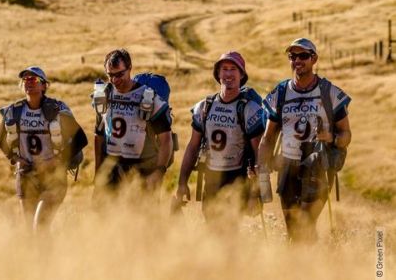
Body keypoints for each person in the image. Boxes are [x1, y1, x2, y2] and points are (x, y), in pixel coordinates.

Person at [257, 38, 352, 242]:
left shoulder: (329, 93)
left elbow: (346, 135)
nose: (297, 60)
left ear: (314, 58)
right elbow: (268, 136)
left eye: (303, 56)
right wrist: (261, 166)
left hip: (317, 166)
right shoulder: (280, 93)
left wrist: (331, 137)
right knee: (293, 230)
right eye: (293, 56)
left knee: (305, 227)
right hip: (287, 167)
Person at [0, 66, 87, 233]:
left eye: (34, 79)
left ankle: (51, 258)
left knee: (40, 226)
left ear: (44, 86)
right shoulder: (14, 110)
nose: (29, 83)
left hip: (53, 178)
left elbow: (80, 138)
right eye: (25, 80)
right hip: (25, 176)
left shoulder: (56, 109)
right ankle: (39, 259)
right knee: (29, 231)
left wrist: (57, 160)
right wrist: (15, 158)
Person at [175, 51, 265, 219]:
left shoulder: (250, 109)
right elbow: (193, 146)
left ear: (241, 75)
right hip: (211, 178)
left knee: (229, 231)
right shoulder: (204, 107)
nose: (228, 74)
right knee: (212, 233)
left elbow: (258, 152)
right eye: (224, 69)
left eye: (233, 69)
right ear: (218, 74)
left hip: (237, 177)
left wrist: (256, 192)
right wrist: (182, 182)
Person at [93, 49, 173, 196]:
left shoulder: (148, 98)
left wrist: (159, 171)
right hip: (111, 169)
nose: (115, 80)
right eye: (110, 75)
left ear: (130, 68)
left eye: (119, 74)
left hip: (142, 169)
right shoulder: (104, 96)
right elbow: (99, 136)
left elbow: (166, 139)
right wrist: (98, 173)